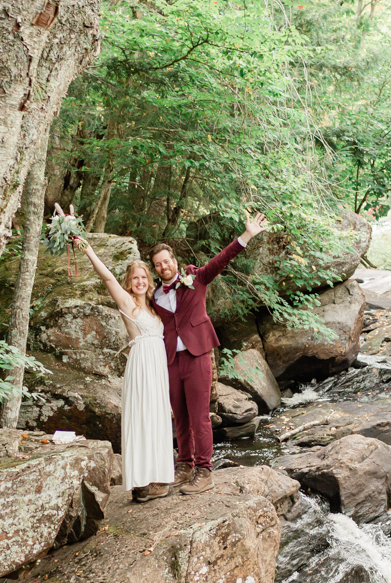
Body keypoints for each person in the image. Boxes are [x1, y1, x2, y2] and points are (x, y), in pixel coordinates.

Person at [151, 212, 269, 494]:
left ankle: (205, 470)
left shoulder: (197, 278)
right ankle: (185, 464)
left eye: (167, 261)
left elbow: (221, 259)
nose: (164, 267)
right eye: (158, 265)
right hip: (170, 361)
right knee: (179, 416)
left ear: (175, 262)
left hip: (198, 356)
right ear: (155, 269)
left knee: (200, 416)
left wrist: (247, 235)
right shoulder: (154, 296)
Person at [71, 244, 174, 502]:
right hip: (141, 364)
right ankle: (140, 483)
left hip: (158, 365)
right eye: (135, 278)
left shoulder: (154, 304)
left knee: (157, 417)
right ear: (129, 282)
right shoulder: (126, 301)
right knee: (141, 418)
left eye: (143, 277)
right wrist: (88, 250)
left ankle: (157, 477)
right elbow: (106, 276)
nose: (140, 281)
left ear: (148, 280)